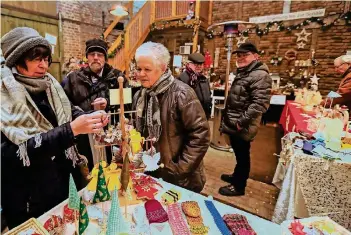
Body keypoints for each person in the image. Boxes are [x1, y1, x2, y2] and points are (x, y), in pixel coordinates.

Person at [0, 27, 109, 228]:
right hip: (28, 195)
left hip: (61, 182)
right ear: (17, 60)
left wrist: (88, 118)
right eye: (36, 59)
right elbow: (12, 154)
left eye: (46, 59)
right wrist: (71, 130)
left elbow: (67, 111)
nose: (43, 65)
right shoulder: (5, 95)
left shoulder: (49, 84)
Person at [132, 42, 210, 193]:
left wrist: (179, 169)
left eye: (147, 69)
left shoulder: (182, 94)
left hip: (180, 179)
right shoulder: (140, 95)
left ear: (162, 68)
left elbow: (201, 135)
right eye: (139, 68)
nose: (140, 74)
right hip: (151, 171)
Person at [63, 38, 128, 169]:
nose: (96, 58)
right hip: (83, 134)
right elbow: (64, 102)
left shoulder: (117, 77)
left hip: (109, 132)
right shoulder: (73, 78)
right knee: (87, 168)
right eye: (92, 54)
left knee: (110, 168)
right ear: (87, 57)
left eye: (100, 55)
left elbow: (126, 101)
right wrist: (80, 115)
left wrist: (108, 102)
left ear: (105, 58)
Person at [219, 42, 272, 196]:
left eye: (245, 55)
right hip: (237, 122)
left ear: (256, 56)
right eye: (239, 55)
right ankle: (237, 176)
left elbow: (259, 104)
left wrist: (241, 122)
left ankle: (239, 186)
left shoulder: (260, 75)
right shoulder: (245, 72)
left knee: (243, 156)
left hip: (243, 125)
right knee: (239, 153)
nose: (241, 58)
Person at [178, 52, 212, 119]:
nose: (199, 66)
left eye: (201, 64)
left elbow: (208, 97)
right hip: (188, 119)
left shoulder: (204, 79)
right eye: (196, 64)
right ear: (189, 64)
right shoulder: (182, 79)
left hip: (203, 118)